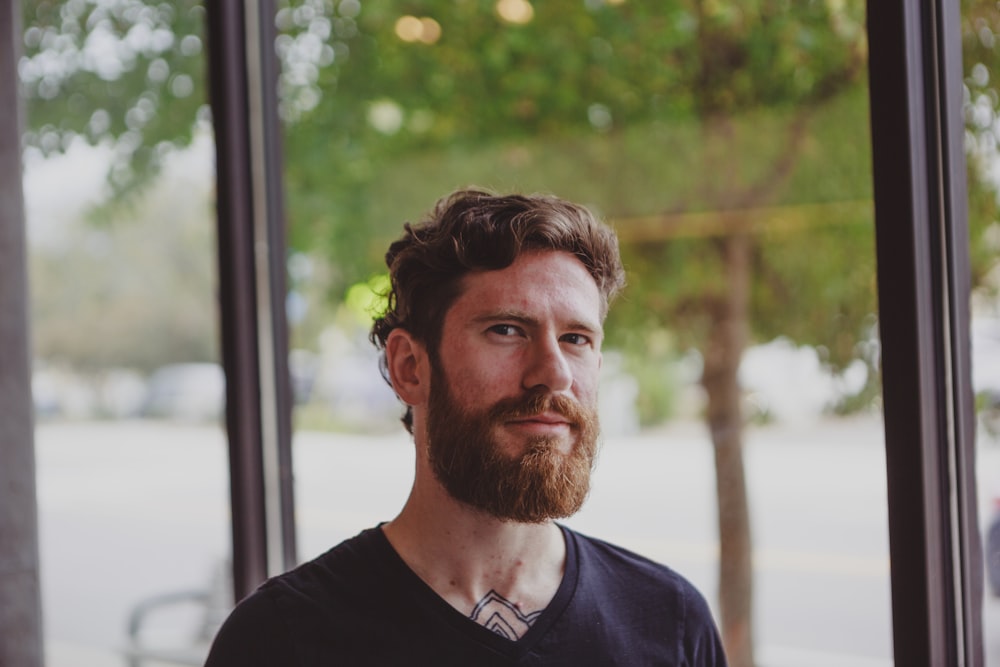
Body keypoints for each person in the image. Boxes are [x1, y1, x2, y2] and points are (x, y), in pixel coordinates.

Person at [204, 189, 727, 666]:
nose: (554, 372)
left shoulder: (670, 622)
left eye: (576, 338)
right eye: (506, 330)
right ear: (410, 366)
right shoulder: (281, 640)